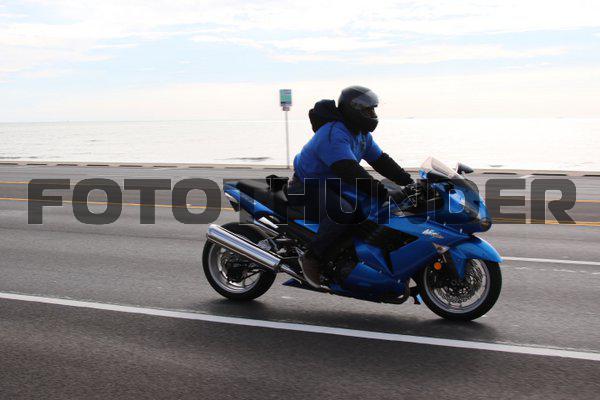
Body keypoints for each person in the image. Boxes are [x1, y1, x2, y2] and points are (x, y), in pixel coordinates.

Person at [288, 85, 414, 288]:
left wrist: (409, 181)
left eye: (373, 110)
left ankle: (352, 256)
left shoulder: (361, 135)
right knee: (343, 211)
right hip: (306, 185)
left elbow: (381, 161)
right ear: (354, 110)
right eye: (368, 110)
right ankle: (312, 257)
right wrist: (381, 191)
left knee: (374, 208)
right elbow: (350, 170)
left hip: (335, 184)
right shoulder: (333, 134)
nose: (372, 115)